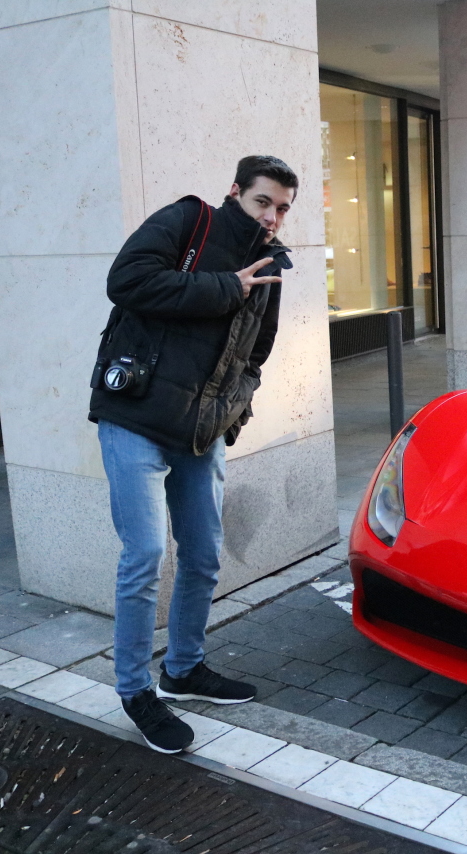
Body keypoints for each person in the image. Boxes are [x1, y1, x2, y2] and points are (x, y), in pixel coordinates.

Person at [89, 155, 297, 753]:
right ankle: (135, 691)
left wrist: (234, 410)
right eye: (263, 202)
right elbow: (125, 280)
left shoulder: (273, 264)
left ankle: (182, 669)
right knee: (145, 554)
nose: (273, 216)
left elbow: (256, 352)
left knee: (204, 554)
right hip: (135, 417)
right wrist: (226, 287)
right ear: (236, 192)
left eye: (282, 208)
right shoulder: (190, 221)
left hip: (200, 433)